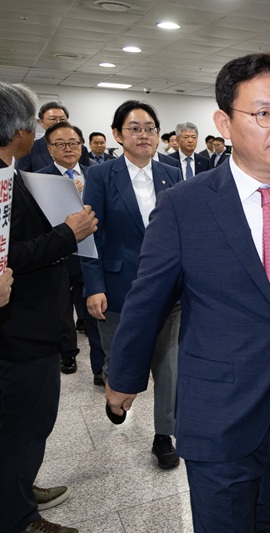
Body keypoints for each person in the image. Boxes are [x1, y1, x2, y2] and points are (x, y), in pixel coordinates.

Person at [104, 52, 270, 532]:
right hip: (220, 410)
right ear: (224, 122)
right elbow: (148, 300)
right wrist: (123, 378)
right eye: (263, 113)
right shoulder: (185, 205)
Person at [0, 81, 97, 533]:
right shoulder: (4, 182)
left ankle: (16, 488)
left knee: (22, 426)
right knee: (25, 424)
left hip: (27, 321)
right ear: (20, 130)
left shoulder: (14, 173)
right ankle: (18, 517)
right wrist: (67, 233)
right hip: (21, 328)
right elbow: (9, 257)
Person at [82, 100, 183, 469]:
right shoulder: (101, 175)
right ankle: (116, 394)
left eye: (151, 128)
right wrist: (93, 285)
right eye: (135, 128)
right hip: (117, 286)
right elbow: (88, 234)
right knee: (118, 357)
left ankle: (164, 435)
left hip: (167, 290)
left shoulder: (171, 173)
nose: (144, 135)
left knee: (169, 365)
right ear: (117, 134)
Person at [36, 122, 106, 384]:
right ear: (49, 149)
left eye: (74, 143)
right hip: (60, 256)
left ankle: (100, 367)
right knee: (63, 312)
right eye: (61, 144)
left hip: (92, 255)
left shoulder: (96, 173)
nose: (68, 149)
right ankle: (68, 353)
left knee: (94, 312)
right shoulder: (39, 179)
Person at [15, 101, 95, 172]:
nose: (58, 122)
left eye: (62, 119)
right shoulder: (29, 148)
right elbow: (21, 179)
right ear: (41, 123)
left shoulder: (81, 149)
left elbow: (87, 176)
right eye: (53, 119)